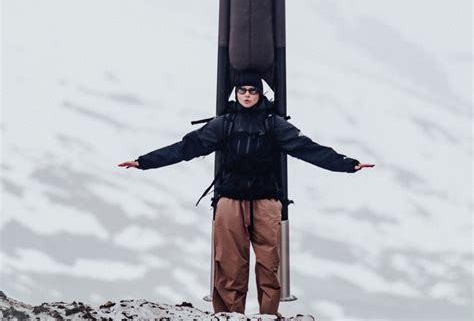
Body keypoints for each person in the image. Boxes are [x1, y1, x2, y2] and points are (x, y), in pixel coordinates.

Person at [118, 72, 374, 316]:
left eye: (253, 91)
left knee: (269, 264)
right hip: (230, 200)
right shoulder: (224, 124)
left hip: (266, 200)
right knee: (229, 263)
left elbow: (308, 149)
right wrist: (144, 162)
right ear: (236, 93)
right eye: (242, 91)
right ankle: (229, 316)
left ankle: (268, 316)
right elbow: (186, 148)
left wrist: (347, 164)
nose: (247, 95)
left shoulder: (274, 124)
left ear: (261, 94)